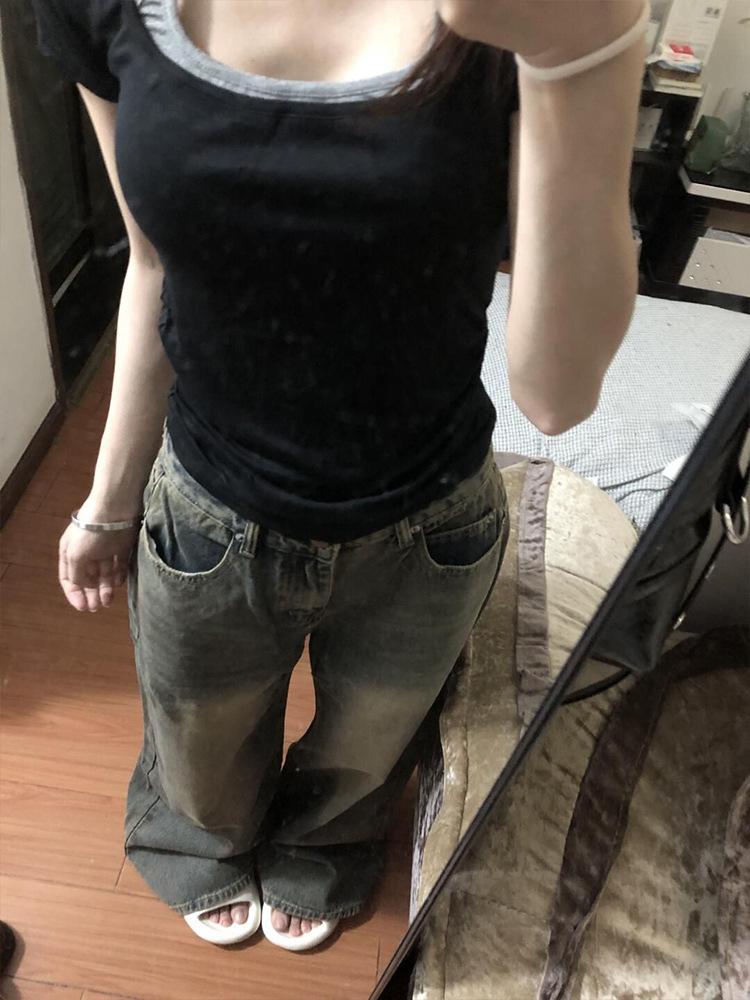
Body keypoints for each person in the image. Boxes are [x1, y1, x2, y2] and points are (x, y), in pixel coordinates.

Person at [31, 0, 646, 951]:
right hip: (210, 506)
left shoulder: (515, 17)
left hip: (428, 520)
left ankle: (323, 849)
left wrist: (587, 50)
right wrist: (109, 505)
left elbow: (558, 395)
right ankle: (203, 843)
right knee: (199, 753)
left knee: (364, 756)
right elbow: (152, 260)